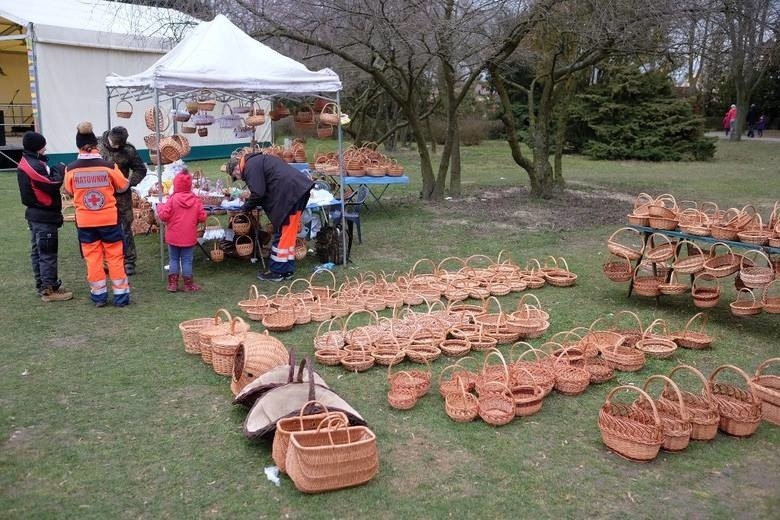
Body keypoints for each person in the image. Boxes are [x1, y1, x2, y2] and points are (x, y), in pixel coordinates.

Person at [64, 122, 131, 307]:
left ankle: (99, 296)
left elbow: (69, 191)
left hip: (85, 222)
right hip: (109, 219)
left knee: (93, 259)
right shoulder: (109, 166)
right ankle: (121, 296)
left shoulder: (70, 169)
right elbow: (124, 185)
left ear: (78, 146)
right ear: (96, 145)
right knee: (115, 257)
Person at [226, 151, 313, 282]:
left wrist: (245, 208)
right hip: (297, 189)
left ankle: (277, 271)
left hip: (290, 194)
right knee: (289, 233)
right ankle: (287, 270)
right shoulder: (257, 161)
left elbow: (258, 193)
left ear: (237, 168)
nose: (240, 178)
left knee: (283, 233)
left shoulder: (250, 166)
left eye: (236, 176)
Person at [16, 131, 73, 302]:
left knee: (39, 252)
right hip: (43, 215)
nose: (46, 148)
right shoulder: (32, 165)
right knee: (47, 253)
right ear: (37, 147)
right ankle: (49, 290)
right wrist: (61, 169)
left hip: (37, 215)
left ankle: (43, 285)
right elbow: (51, 183)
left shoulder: (31, 161)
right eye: (43, 145)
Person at [99, 126, 147, 275]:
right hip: (101, 195)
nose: (117, 147)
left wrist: (129, 182)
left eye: (120, 145)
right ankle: (106, 260)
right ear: (109, 138)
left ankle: (129, 261)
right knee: (102, 227)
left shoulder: (129, 150)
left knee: (125, 227)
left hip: (121, 195)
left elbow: (140, 169)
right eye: (115, 144)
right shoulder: (96, 146)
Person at [156, 170, 207, 292]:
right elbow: (202, 217)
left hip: (173, 236)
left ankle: (173, 284)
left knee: (173, 259)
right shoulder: (195, 200)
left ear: (176, 184)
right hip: (189, 237)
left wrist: (159, 207)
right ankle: (188, 285)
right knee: (187, 260)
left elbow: (164, 216)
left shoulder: (172, 199)